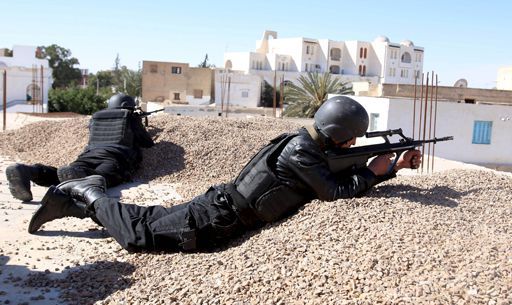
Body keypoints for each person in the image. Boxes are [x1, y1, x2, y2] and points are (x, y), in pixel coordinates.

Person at [28, 96, 421, 253]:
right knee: (136, 237)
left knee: (143, 217)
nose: (352, 146)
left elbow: (337, 170)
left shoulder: (307, 142)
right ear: (336, 134)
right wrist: (374, 174)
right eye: (350, 139)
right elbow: (334, 192)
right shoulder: (304, 153)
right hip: (217, 219)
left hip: (217, 203)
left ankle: (71, 203)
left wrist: (394, 166)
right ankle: (90, 194)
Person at [6, 93, 155, 202]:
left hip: (89, 154)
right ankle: (81, 175)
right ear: (127, 106)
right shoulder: (129, 116)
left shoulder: (96, 117)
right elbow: (147, 142)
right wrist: (139, 123)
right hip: (115, 157)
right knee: (102, 177)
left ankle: (29, 171)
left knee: (61, 175)